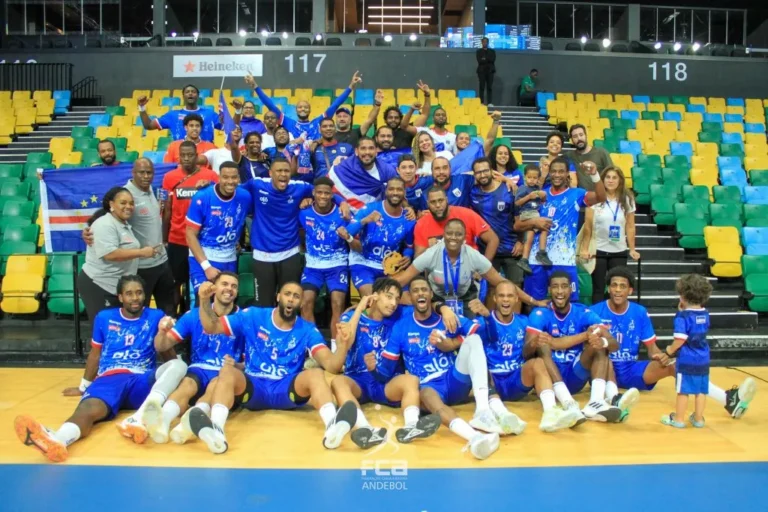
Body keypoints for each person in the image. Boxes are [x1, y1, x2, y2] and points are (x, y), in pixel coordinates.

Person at [13, 275, 187, 462]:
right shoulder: (105, 318)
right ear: (120, 297)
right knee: (87, 410)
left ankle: (137, 417)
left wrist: (180, 382)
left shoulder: (156, 316)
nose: (135, 298)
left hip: (141, 380)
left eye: (139, 293)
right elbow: (95, 354)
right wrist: (84, 386)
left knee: (179, 364)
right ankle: (58, 440)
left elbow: (166, 350)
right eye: (129, 294)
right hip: (109, 378)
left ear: (145, 295)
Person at [189, 281, 358, 453]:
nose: (291, 299)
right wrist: (204, 301)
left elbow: (331, 365)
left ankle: (332, 427)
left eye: (296, 296)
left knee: (315, 373)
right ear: (278, 296)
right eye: (287, 294)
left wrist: (343, 345)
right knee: (227, 371)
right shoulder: (253, 316)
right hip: (254, 387)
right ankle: (216, 430)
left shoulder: (307, 329)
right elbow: (212, 327)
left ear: (301, 303)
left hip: (287, 389)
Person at [593, 267, 758, 420]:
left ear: (630, 290)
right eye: (614, 285)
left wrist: (662, 357)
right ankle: (612, 398)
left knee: (677, 364)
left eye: (623, 286)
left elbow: (651, 348)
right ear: (608, 288)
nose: (617, 290)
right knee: (603, 357)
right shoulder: (595, 311)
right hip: (604, 368)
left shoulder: (639, 312)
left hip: (630, 369)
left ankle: (729, 400)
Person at [376, 276, 505, 460]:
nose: (420, 293)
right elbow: (387, 369)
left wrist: (452, 343)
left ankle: (483, 411)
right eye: (415, 290)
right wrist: (373, 367)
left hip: (454, 380)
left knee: (474, 340)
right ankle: (475, 437)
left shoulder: (447, 318)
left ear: (431, 295)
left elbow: (481, 333)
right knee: (426, 394)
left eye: (424, 290)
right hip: (429, 387)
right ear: (410, 298)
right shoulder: (401, 327)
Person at [330, 279, 441, 449]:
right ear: (374, 296)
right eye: (389, 297)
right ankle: (365, 429)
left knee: (411, 380)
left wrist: (444, 308)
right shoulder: (351, 317)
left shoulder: (400, 315)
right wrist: (360, 308)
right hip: (358, 380)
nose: (394, 303)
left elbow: (425, 307)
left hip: (386, 381)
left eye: (397, 298)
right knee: (338, 382)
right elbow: (345, 341)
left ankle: (412, 427)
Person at [468, 283, 583, 432]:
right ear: (495, 298)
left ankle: (550, 412)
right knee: (482, 368)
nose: (505, 300)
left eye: (510, 296)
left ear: (516, 299)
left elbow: (526, 354)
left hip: (516, 381)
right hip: (492, 381)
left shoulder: (524, 321)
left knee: (538, 362)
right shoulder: (482, 322)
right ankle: (500, 413)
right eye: (501, 296)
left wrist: (534, 343)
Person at [146, 272, 244, 445]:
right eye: (225, 284)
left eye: (234, 286)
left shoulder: (244, 319)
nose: (229, 289)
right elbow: (161, 346)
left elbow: (250, 364)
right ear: (214, 288)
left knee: (216, 384)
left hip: (224, 375)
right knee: (187, 384)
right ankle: (164, 421)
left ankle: (188, 424)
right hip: (198, 369)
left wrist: (236, 365)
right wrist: (161, 332)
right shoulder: (193, 315)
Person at [243, 158, 348, 307]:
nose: (283, 174)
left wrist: (341, 202)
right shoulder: (256, 184)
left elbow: (322, 191)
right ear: (270, 173)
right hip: (262, 254)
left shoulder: (299, 187)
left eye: (286, 171)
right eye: (279, 171)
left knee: (289, 304)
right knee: (263, 305)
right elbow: (234, 190)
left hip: (289, 254)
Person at [396, 219, 545, 317]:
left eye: (458, 234)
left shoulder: (473, 255)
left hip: (466, 300)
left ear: (464, 238)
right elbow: (403, 279)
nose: (453, 237)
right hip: (437, 301)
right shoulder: (432, 253)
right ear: (444, 235)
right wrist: (381, 293)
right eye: (449, 233)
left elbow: (502, 282)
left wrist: (534, 301)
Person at [526, 271, 622, 422]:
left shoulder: (583, 312)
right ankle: (567, 401)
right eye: (555, 287)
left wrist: (601, 342)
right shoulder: (539, 313)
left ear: (571, 289)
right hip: (549, 376)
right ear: (549, 290)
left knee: (598, 343)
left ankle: (595, 403)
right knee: (542, 344)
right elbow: (525, 353)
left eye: (564, 287)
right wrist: (534, 343)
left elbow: (614, 344)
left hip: (575, 373)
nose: (559, 291)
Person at [82, 160, 176, 314]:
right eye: (142, 172)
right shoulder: (125, 194)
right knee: (140, 311)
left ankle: (169, 337)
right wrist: (87, 231)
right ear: (133, 173)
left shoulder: (151, 190)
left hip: (161, 261)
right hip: (142, 267)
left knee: (168, 306)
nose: (146, 176)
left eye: (149, 172)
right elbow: (103, 217)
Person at [517, 157, 606, 302]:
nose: (557, 175)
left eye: (561, 171)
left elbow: (601, 197)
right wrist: (534, 222)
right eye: (553, 171)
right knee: (533, 302)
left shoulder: (576, 194)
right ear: (549, 173)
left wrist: (594, 174)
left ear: (567, 175)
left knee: (568, 303)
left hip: (563, 260)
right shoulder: (540, 195)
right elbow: (518, 225)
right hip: (536, 259)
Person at [77, 187, 161, 320]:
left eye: (131, 203)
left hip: (116, 286)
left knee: (116, 328)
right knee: (105, 328)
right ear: (111, 204)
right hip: (99, 284)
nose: (128, 206)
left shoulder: (123, 223)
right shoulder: (104, 224)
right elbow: (110, 254)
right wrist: (142, 253)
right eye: (123, 203)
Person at [162, 141, 220, 311]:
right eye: (183, 155)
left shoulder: (210, 176)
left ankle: (203, 322)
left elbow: (219, 201)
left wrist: (208, 187)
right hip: (178, 239)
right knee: (175, 283)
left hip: (203, 242)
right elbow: (167, 210)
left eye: (190, 155)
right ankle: (173, 321)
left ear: (197, 156)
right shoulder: (169, 177)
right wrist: (164, 239)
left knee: (204, 285)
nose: (186, 158)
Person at [185, 162, 251, 299]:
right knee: (205, 300)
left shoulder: (245, 197)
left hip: (229, 257)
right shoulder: (203, 197)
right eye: (225, 177)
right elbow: (190, 234)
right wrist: (206, 266)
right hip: (203, 258)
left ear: (239, 178)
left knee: (226, 302)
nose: (230, 181)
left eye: (234, 177)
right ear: (219, 177)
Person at [299, 177, 350, 343]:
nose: (322, 196)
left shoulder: (342, 213)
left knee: (337, 304)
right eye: (319, 192)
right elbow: (301, 233)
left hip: (337, 265)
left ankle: (336, 348)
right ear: (313, 193)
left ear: (332, 195)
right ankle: (314, 346)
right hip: (313, 266)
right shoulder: (304, 213)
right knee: (305, 302)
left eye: (326, 193)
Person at [345, 177, 415, 297]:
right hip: (363, 263)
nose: (395, 193)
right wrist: (366, 220)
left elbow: (409, 246)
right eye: (391, 189)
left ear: (404, 192)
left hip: (390, 267)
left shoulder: (408, 219)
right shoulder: (371, 208)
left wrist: (408, 256)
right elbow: (348, 232)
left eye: (399, 189)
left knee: (407, 299)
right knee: (373, 299)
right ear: (386, 191)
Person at [579, 167, 640, 304]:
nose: (611, 181)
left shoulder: (627, 199)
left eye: (614, 178)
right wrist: (584, 248)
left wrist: (632, 249)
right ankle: (597, 321)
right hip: (598, 250)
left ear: (620, 181)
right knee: (599, 288)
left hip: (618, 250)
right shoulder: (595, 198)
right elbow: (588, 227)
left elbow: (630, 226)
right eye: (608, 177)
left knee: (616, 288)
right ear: (602, 180)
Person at [247, 71, 361, 140]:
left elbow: (336, 104)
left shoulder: (318, 122)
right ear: (296, 110)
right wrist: (255, 86)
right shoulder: (288, 123)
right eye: (300, 107)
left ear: (310, 110)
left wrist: (350, 86)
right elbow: (270, 106)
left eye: (306, 107)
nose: (303, 109)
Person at [662, 274, 713, 428]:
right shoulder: (705, 314)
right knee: (701, 390)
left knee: (683, 390)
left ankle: (678, 420)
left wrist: (669, 350)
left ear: (682, 296)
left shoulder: (682, 317)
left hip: (687, 358)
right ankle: (698, 419)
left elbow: (680, 340)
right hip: (703, 357)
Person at [470, 157, 525, 288]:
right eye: (478, 172)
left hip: (511, 249)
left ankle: (516, 310)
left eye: (485, 171)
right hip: (487, 250)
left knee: (515, 289)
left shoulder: (509, 190)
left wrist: (520, 241)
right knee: (491, 289)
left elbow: (520, 218)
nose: (482, 175)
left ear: (492, 171)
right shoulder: (473, 192)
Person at [414, 187, 498, 259]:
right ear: (428, 204)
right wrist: (429, 249)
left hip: (469, 267)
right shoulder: (422, 223)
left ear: (447, 200)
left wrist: (483, 268)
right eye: (433, 202)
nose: (438, 205)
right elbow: (418, 257)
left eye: (441, 200)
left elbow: (493, 239)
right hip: (438, 271)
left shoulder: (467, 214)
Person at [327, 137, 398, 212]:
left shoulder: (386, 171)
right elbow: (327, 189)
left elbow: (396, 194)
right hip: (343, 213)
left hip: (375, 215)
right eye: (363, 148)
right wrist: (341, 202)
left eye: (371, 148)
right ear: (356, 151)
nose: (367, 152)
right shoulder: (343, 167)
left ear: (376, 151)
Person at [138, 84, 220, 142]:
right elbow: (148, 125)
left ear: (198, 96)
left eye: (193, 92)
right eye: (187, 92)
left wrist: (233, 110)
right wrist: (141, 107)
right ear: (183, 96)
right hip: (181, 156)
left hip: (206, 155)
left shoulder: (210, 114)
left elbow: (230, 127)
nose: (190, 93)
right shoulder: (172, 115)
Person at [515, 164, 552, 274]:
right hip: (527, 213)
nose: (532, 180)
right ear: (525, 177)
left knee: (530, 235)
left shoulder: (536, 188)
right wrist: (528, 197)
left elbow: (542, 199)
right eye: (529, 177)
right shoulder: (523, 188)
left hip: (534, 212)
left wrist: (543, 196)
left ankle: (524, 259)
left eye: (534, 178)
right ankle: (541, 252)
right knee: (544, 226)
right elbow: (517, 203)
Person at [567, 124, 614, 192]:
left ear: (586, 136)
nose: (579, 138)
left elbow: (612, 174)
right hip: (581, 198)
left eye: (581, 135)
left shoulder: (601, 153)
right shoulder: (569, 156)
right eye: (575, 136)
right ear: (571, 140)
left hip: (601, 196)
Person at [476, 37, 496, 105]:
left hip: (490, 71)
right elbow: (479, 61)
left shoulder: (492, 51)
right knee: (482, 86)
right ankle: (481, 102)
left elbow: (492, 60)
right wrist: (487, 59)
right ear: (482, 43)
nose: (485, 43)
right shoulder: (478, 51)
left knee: (489, 87)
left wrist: (484, 58)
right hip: (481, 71)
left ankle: (490, 102)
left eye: (486, 42)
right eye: (483, 42)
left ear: (488, 42)